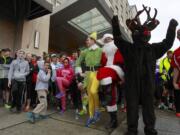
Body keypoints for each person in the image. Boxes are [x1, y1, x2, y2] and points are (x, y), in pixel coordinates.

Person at [112, 5, 178, 135]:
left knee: (148, 107)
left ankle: (149, 129)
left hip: (147, 84)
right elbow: (118, 40)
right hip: (132, 84)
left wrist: (171, 28)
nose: (142, 34)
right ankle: (132, 130)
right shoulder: (129, 48)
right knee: (132, 106)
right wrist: (115, 25)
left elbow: (167, 43)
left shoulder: (152, 49)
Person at [97, 33, 124, 129]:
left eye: (109, 38)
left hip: (116, 70)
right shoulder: (103, 51)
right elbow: (102, 63)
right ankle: (114, 120)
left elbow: (121, 62)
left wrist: (121, 77)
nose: (107, 40)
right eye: (105, 39)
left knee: (103, 71)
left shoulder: (117, 48)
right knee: (111, 97)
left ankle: (105, 97)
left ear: (112, 39)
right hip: (107, 74)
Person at [75, 32, 102, 127]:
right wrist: (80, 72)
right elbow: (77, 62)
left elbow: (106, 60)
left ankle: (97, 110)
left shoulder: (100, 50)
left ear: (93, 40)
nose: (86, 41)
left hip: (97, 73)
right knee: (90, 96)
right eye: (86, 40)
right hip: (88, 74)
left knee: (93, 91)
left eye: (88, 40)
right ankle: (91, 116)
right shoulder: (84, 52)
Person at [171, 29, 180, 117]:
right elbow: (176, 69)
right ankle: (178, 109)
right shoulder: (176, 53)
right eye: (179, 35)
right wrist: (174, 82)